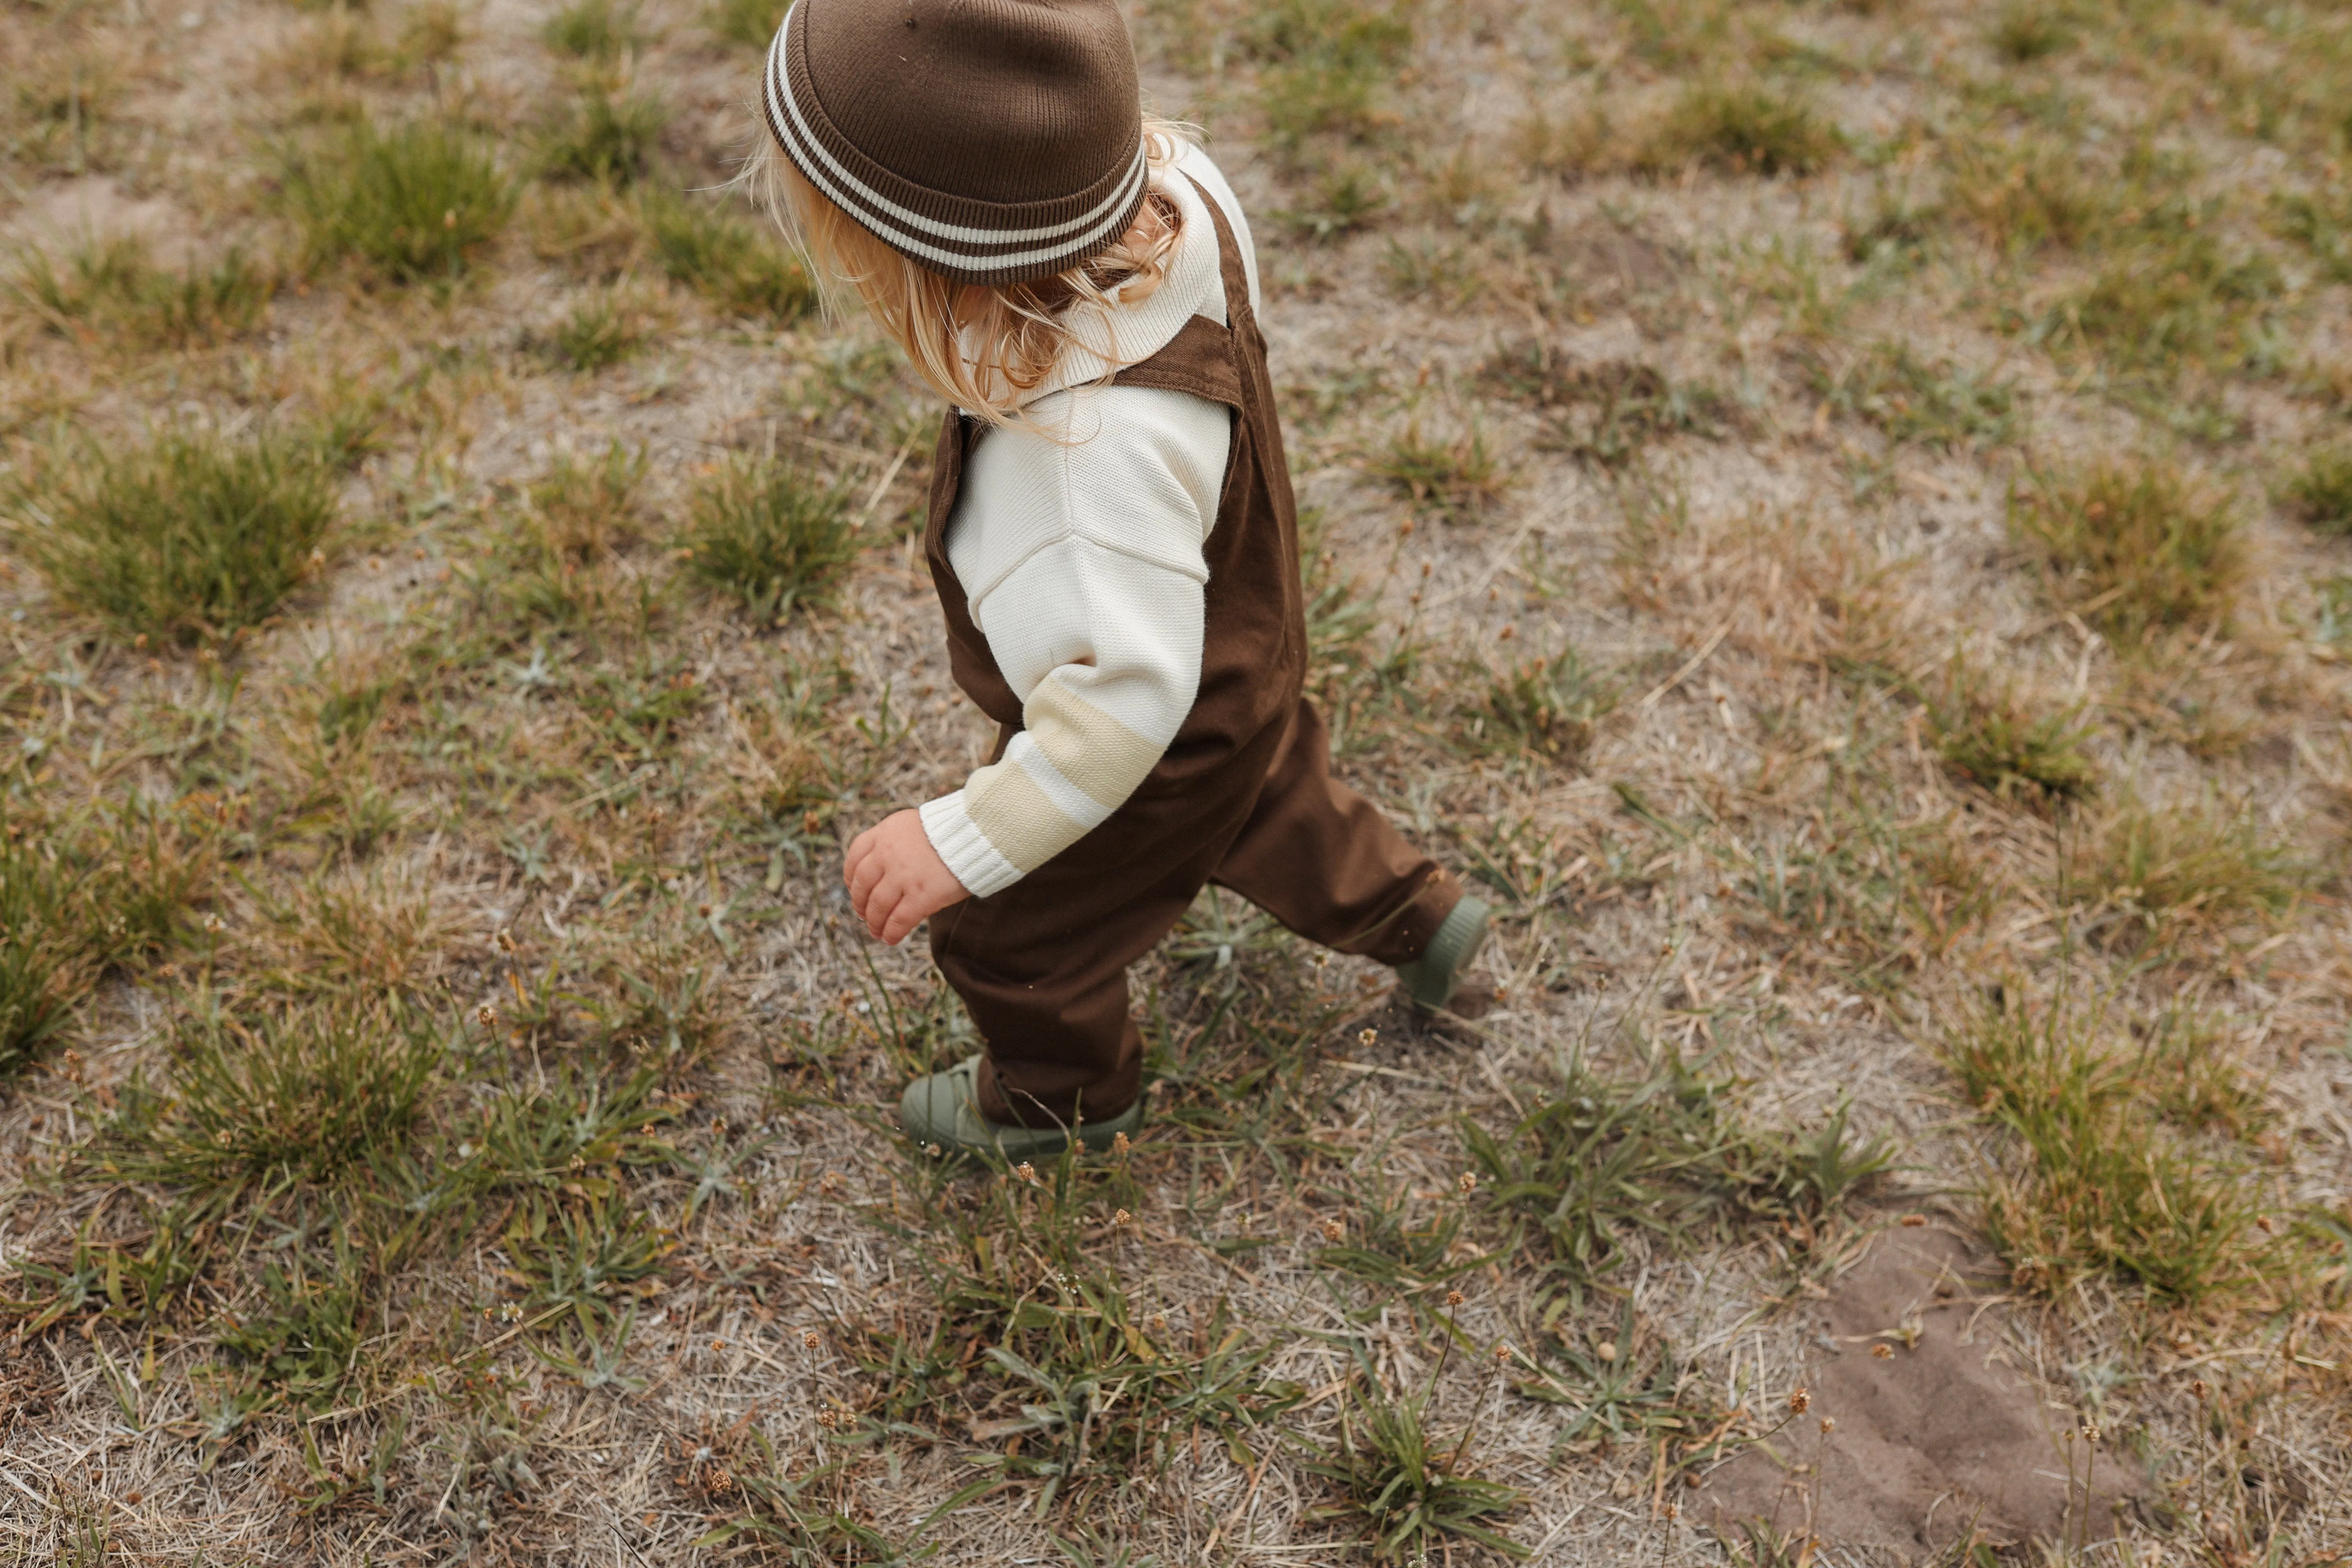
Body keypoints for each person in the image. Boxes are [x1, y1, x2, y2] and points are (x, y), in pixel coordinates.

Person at [747, 0, 1489, 1159]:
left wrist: (963, 841)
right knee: (1273, 785)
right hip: (1238, 630)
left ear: (923, 259)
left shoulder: (1082, 463)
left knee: (1014, 938)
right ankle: (1421, 916)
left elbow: (1120, 713)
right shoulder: (1177, 189)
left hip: (1158, 722)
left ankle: (1061, 1104)